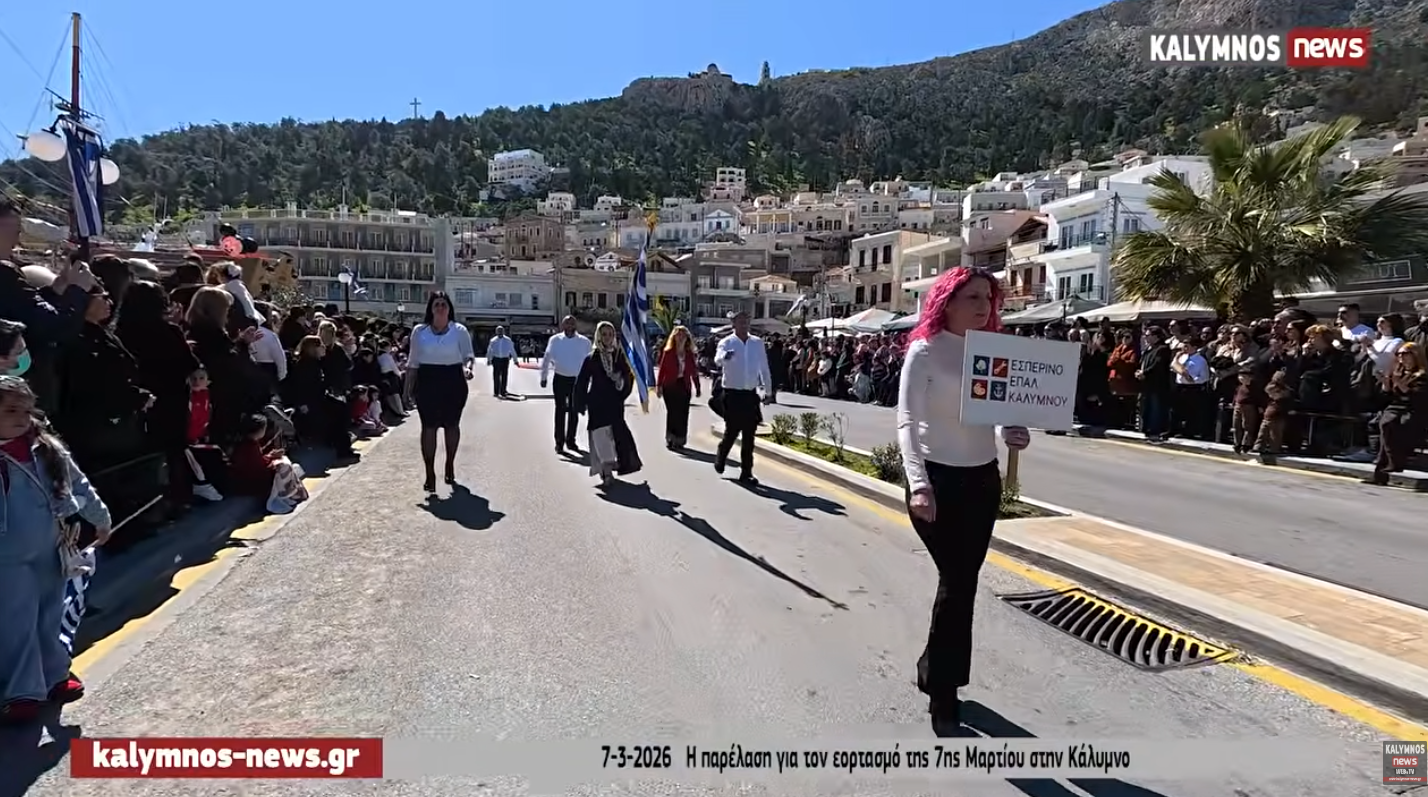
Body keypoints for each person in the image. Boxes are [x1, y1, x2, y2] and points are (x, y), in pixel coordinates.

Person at [895, 266, 1030, 735]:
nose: (982, 306)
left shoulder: (992, 350)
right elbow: (906, 422)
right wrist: (918, 485)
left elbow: (996, 411)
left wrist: (1011, 431)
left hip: (982, 481)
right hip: (936, 481)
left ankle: (935, 670)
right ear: (947, 301)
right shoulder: (925, 350)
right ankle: (944, 691)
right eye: (972, 297)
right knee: (956, 581)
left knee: (962, 583)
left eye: (988, 298)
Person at [0, 375, 112, 723]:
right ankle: (22, 691)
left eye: (26, 410)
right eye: (10, 410)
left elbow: (79, 483)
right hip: (8, 557)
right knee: (16, 622)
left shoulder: (46, 448)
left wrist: (100, 517)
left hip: (51, 547)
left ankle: (55, 675)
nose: (21, 418)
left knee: (51, 614)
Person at [404, 292, 474, 491]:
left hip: (453, 380)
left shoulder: (459, 330)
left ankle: (450, 463)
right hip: (427, 380)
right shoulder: (420, 331)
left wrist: (468, 368)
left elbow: (468, 356)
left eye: (444, 304)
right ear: (431, 308)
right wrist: (407, 389)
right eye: (437, 304)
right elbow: (412, 362)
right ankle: (429, 472)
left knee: (452, 425)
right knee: (429, 427)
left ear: (449, 308)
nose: (441, 308)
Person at [573, 321, 642, 487]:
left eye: (610, 334)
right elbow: (581, 382)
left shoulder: (619, 357)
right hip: (597, 404)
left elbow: (628, 377)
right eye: (604, 334)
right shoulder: (592, 358)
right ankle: (606, 472)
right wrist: (580, 403)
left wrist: (621, 381)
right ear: (598, 336)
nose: (607, 337)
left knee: (616, 436)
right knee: (601, 438)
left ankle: (616, 464)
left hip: (615, 403)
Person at [713, 310, 772, 484]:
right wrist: (725, 356)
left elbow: (763, 367)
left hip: (750, 394)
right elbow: (717, 359)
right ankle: (721, 455)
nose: (744, 325)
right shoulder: (727, 342)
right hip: (732, 394)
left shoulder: (757, 343)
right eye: (740, 322)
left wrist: (768, 391)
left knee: (749, 435)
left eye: (746, 321)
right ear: (734, 324)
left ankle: (746, 472)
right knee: (732, 431)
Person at [540, 315, 592, 453]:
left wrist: (591, 380)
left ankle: (571, 440)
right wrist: (544, 376)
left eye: (572, 323)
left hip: (577, 380)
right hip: (560, 378)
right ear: (563, 325)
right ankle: (559, 442)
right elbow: (547, 358)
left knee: (574, 411)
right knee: (560, 410)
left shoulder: (584, 342)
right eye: (567, 323)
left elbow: (591, 362)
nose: (569, 326)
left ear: (575, 325)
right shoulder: (555, 340)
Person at [655, 325, 701, 450]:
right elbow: (662, 370)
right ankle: (670, 438)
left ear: (687, 338)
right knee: (673, 412)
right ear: (674, 337)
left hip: (684, 385)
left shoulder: (689, 354)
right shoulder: (668, 352)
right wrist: (659, 386)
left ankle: (680, 439)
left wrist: (698, 387)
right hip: (670, 385)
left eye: (683, 335)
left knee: (683, 413)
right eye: (678, 335)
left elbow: (694, 372)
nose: (680, 337)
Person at [486, 325, 516, 398]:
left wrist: (515, 360)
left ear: (503, 331)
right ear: (496, 332)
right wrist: (489, 359)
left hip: (505, 359)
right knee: (496, 376)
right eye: (498, 331)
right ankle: (496, 392)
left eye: (501, 330)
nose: (500, 332)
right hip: (496, 359)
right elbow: (489, 350)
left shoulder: (508, 340)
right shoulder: (493, 340)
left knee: (504, 376)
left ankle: (503, 391)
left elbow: (512, 350)